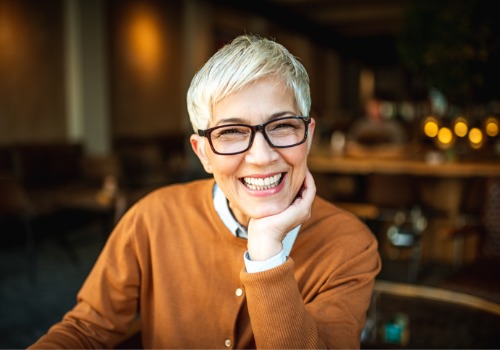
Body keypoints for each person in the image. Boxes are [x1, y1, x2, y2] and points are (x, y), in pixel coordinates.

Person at [29, 34, 381, 349]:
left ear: (309, 135)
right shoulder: (152, 219)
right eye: (230, 132)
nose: (261, 156)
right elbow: (87, 332)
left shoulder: (350, 244)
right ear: (203, 153)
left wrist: (267, 254)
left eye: (283, 126)